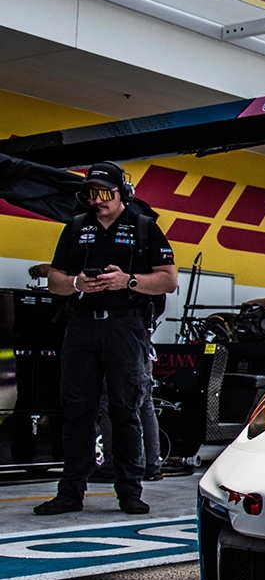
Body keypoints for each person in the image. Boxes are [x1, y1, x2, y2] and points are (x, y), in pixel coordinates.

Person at [34, 161, 177, 516]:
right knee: (77, 412)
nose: (96, 200)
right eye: (89, 193)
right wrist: (77, 284)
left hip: (126, 327)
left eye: (103, 193)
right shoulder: (75, 227)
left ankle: (129, 492)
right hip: (81, 327)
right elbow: (55, 278)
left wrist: (127, 280)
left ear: (122, 193)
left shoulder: (145, 228)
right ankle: (70, 493)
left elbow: (168, 279)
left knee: (125, 410)